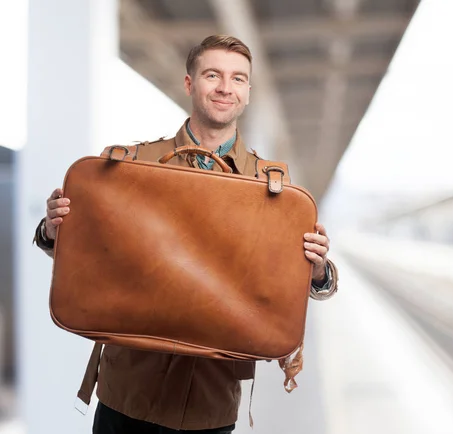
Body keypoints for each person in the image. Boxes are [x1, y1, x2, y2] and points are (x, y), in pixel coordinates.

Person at [32, 35, 338, 433]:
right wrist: (53, 231)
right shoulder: (134, 165)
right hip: (128, 393)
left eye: (238, 79)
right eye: (213, 75)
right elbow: (95, 257)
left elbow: (294, 288)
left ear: (248, 92)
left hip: (209, 404)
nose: (226, 87)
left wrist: (316, 271)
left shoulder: (271, 186)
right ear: (190, 84)